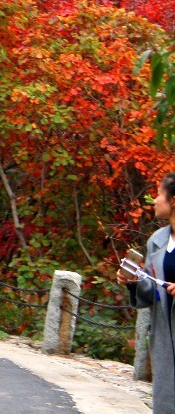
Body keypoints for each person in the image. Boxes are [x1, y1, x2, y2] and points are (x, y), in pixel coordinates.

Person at [118, 172, 175, 412]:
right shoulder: (157, 241)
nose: (154, 199)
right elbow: (152, 292)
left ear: (173, 200)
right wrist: (132, 281)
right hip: (165, 337)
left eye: (159, 194)